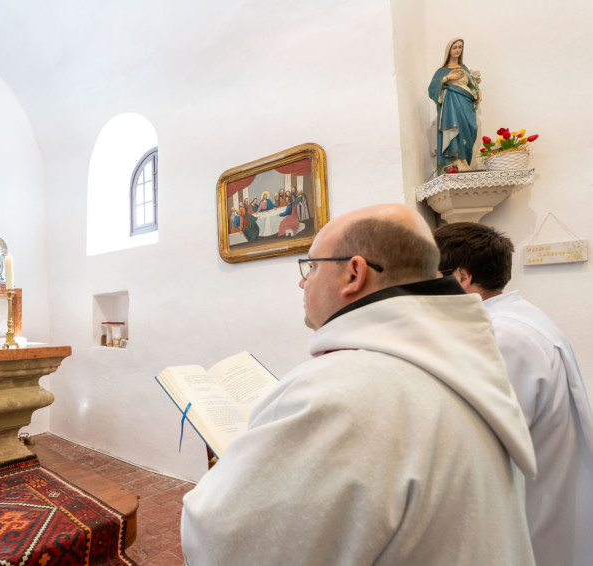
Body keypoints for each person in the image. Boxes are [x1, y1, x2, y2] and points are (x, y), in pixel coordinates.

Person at [181, 204, 536, 565]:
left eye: (311, 267)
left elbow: (227, 541)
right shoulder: (457, 359)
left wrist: (233, 471)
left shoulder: (341, 392)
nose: (303, 282)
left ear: (354, 274)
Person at [434, 222, 593, 566]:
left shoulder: (499, 336)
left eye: (431, 276)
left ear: (461, 277)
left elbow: (485, 451)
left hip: (531, 518)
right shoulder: (519, 319)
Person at [428, 38, 481, 174]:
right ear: (449, 50)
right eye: (455, 47)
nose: (458, 50)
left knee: (471, 128)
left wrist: (477, 91)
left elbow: (472, 86)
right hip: (450, 106)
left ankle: (464, 162)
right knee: (454, 129)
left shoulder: (464, 69)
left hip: (466, 104)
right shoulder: (442, 71)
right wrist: (447, 79)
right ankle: (454, 163)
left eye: (460, 47)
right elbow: (432, 89)